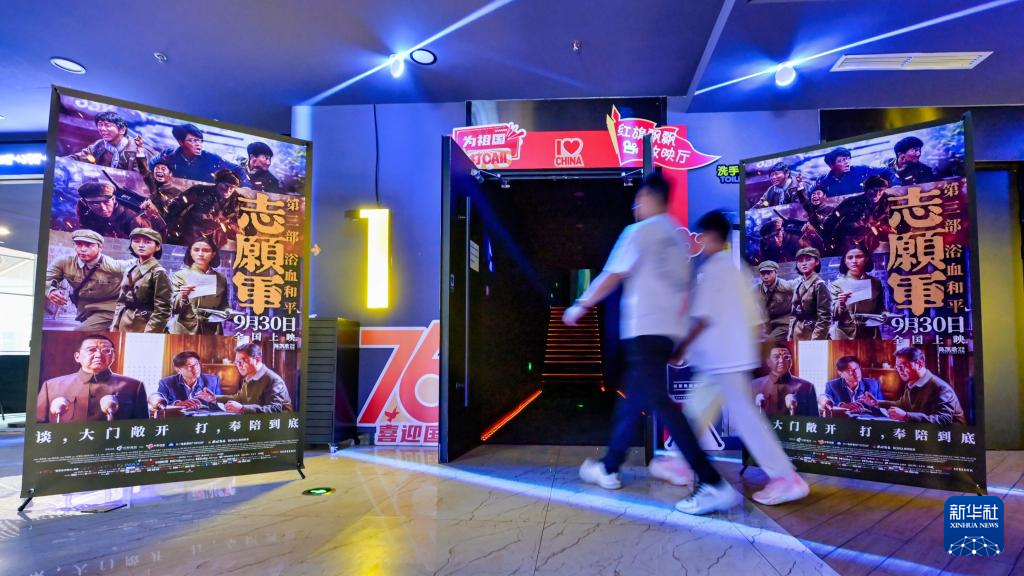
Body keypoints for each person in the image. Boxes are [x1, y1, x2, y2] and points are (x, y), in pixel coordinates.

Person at [561, 172, 710, 495]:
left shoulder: (639, 232)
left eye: (638, 200)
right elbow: (686, 293)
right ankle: (609, 466)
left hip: (642, 332)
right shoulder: (679, 240)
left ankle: (710, 479)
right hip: (666, 336)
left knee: (661, 403)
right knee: (634, 401)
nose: (635, 207)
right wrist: (680, 342)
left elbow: (612, 275)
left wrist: (580, 305)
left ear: (647, 198)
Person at [673, 210, 809, 513]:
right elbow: (757, 321)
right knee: (695, 412)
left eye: (701, 236)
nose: (699, 242)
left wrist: (680, 348)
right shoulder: (736, 271)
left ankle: (786, 478)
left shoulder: (715, 270)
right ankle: (681, 463)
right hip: (723, 360)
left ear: (710, 236)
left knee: (745, 420)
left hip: (723, 360)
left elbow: (702, 318)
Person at [36, 334, 148, 423]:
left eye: (106, 351)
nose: (98, 355)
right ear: (77, 357)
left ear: (113, 357)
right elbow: (39, 424)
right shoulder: (51, 386)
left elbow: (141, 426)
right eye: (91, 350)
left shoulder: (134, 386)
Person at [45, 229, 132, 331]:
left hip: (110, 307)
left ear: (100, 247)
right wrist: (51, 290)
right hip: (85, 309)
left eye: (89, 245)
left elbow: (137, 265)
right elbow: (48, 278)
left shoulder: (114, 266)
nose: (83, 249)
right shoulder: (64, 263)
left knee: (80, 332)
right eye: (78, 244)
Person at [879, 347, 966, 425]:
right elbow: (902, 404)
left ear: (920, 364)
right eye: (898, 367)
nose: (900, 371)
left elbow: (944, 419)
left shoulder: (940, 387)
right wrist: (877, 403)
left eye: (903, 366)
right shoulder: (911, 383)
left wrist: (906, 416)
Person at [197, 343, 293, 414]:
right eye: (236, 362)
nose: (238, 366)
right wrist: (214, 398)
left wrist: (243, 409)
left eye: (242, 361)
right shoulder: (249, 377)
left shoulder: (273, 380)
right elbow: (239, 398)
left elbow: (275, 409)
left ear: (257, 359)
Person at [111, 228, 171, 333]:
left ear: (157, 247)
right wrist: (114, 326)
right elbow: (121, 301)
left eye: (147, 242)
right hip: (124, 322)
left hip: (143, 325)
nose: (141, 245)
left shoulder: (158, 272)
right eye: (136, 241)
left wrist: (150, 333)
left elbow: (163, 310)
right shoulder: (130, 269)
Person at [818, 174, 894, 256]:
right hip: (849, 238)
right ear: (866, 189)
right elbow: (832, 220)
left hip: (875, 239)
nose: (877, 194)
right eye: (874, 190)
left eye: (881, 190)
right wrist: (827, 241)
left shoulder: (888, 201)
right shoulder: (851, 202)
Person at [163, 169, 242, 247]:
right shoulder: (200, 190)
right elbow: (175, 206)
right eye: (226, 186)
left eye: (232, 187)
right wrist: (169, 228)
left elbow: (237, 225)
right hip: (190, 232)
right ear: (218, 182)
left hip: (214, 238)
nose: (228, 190)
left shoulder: (236, 200)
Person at [152, 123, 249, 185]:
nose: (198, 144)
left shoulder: (212, 159)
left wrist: (246, 187)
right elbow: (151, 165)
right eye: (192, 140)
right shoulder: (168, 156)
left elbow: (238, 169)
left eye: (200, 140)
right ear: (181, 142)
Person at [170, 238, 229, 335]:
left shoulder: (221, 278)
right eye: (196, 250)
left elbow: (224, 305)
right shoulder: (180, 275)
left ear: (213, 254)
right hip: (185, 329)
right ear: (190, 252)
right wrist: (182, 296)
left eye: (206, 250)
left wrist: (229, 313)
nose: (200, 254)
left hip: (212, 330)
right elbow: (173, 308)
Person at [829, 245, 884, 340]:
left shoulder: (876, 282)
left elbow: (880, 308)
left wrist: (886, 315)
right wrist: (840, 302)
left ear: (866, 259)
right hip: (845, 333)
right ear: (845, 261)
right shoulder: (837, 284)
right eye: (850, 258)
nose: (854, 261)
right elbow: (833, 315)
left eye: (859, 257)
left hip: (871, 333)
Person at [76, 182, 164, 240]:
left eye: (106, 202)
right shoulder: (83, 208)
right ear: (85, 202)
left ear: (113, 199)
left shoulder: (133, 218)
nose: (103, 208)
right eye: (95, 203)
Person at [66, 111, 151, 171]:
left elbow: (144, 179)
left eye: (107, 125)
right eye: (100, 125)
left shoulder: (139, 151)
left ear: (122, 130)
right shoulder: (99, 145)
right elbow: (77, 158)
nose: (102, 129)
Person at [750, 345, 818, 417]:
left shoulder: (807, 387)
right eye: (776, 357)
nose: (781, 361)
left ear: (791, 361)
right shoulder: (754, 385)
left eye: (786, 357)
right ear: (768, 362)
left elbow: (814, 419)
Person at [134, 137, 184, 218]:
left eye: (163, 169)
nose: (159, 171)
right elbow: (144, 170)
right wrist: (140, 148)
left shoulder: (176, 192)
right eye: (157, 168)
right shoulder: (153, 184)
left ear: (170, 174)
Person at [789, 247, 831, 340]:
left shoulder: (819, 285)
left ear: (817, 262)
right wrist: (790, 335)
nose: (804, 263)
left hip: (811, 333)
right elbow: (793, 314)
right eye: (800, 261)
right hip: (797, 331)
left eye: (808, 259)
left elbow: (825, 317)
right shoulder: (799, 284)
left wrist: (816, 340)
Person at [157, 350, 222, 409]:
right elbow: (160, 404)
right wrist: (176, 405)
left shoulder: (213, 381)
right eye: (190, 366)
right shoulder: (166, 383)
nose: (195, 368)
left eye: (196, 364)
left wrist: (213, 401)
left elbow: (222, 406)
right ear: (178, 369)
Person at [756, 261, 797, 343]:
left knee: (768, 342)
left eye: (769, 273)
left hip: (784, 323)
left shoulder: (786, 287)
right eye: (763, 274)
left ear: (776, 273)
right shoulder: (757, 289)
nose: (765, 277)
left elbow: (801, 285)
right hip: (768, 324)